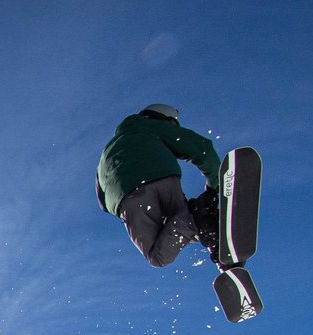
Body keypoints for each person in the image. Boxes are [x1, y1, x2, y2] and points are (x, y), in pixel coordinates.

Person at [95, 104, 229, 269]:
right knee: (184, 224)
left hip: (127, 201)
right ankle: (206, 222)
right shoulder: (149, 126)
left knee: (158, 255)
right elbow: (201, 148)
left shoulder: (104, 155)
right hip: (162, 179)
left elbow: (102, 200)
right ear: (164, 119)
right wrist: (214, 185)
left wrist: (128, 213)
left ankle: (204, 225)